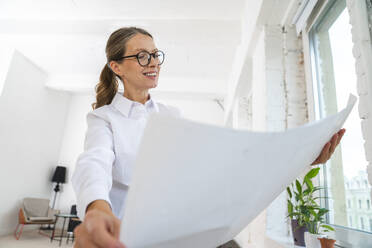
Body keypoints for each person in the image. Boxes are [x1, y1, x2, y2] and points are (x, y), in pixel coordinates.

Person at [71, 27, 345, 248]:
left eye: (155, 55)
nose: (153, 62)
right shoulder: (104, 118)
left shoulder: (170, 115)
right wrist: (97, 208)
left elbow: (202, 172)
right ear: (117, 67)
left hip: (174, 231)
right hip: (122, 237)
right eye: (142, 56)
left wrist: (304, 158)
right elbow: (94, 163)